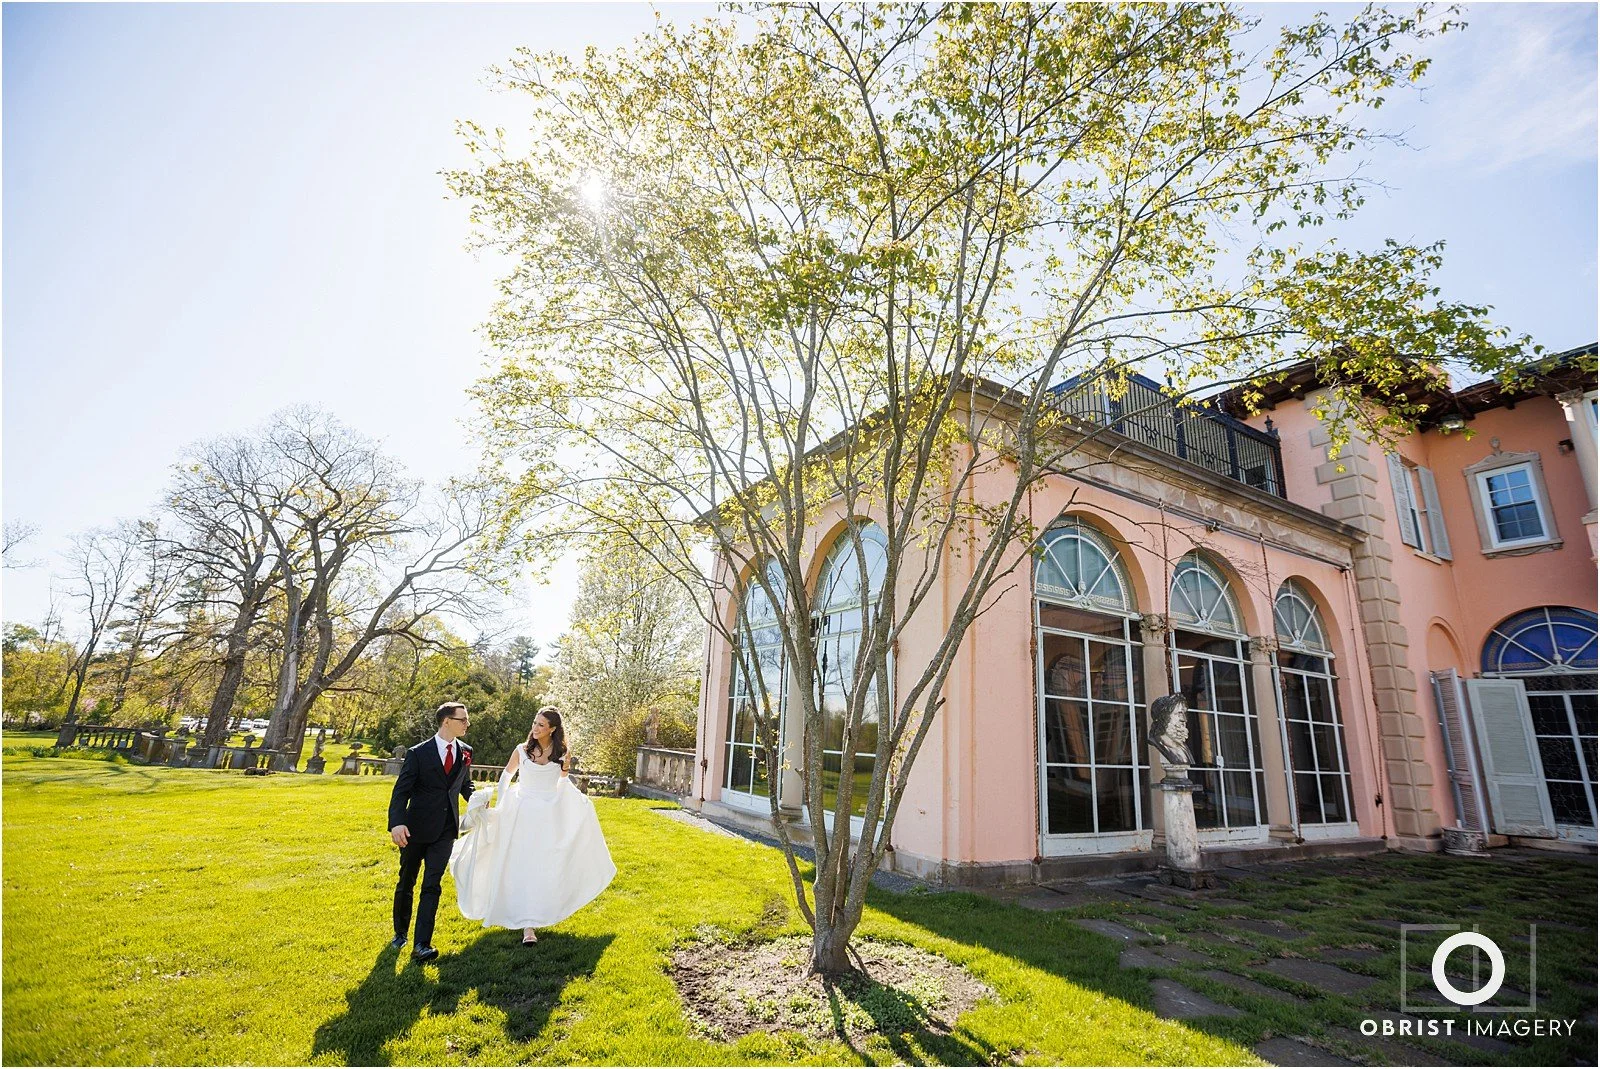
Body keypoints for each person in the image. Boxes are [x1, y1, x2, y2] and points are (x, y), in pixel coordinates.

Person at [449, 706, 616, 946]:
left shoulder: (562, 753)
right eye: (534, 723)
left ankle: (536, 916)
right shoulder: (522, 750)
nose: (535, 728)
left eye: (541, 725)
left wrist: (573, 805)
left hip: (547, 814)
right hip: (520, 811)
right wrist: (502, 804)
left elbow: (562, 782)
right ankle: (526, 924)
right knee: (519, 862)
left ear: (553, 729)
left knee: (542, 864)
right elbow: (507, 776)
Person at [387, 702, 474, 962]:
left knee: (432, 884)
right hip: (415, 829)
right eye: (463, 720)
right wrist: (397, 823)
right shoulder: (418, 753)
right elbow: (401, 791)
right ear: (446, 721)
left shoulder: (466, 752)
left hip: (446, 830)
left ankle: (422, 944)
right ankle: (400, 933)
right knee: (407, 881)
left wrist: (478, 800)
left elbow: (463, 784)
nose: (467, 724)